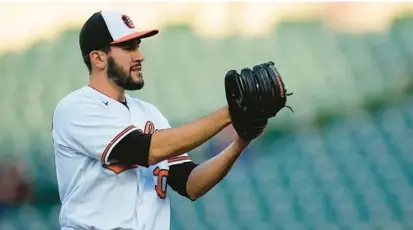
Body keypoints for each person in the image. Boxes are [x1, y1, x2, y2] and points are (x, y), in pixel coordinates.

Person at [51, 10, 252, 230]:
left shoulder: (150, 113)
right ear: (98, 58)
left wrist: (240, 142)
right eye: (128, 47)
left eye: (137, 45)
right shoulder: (75, 108)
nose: (139, 56)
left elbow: (190, 183)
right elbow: (145, 150)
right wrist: (230, 113)